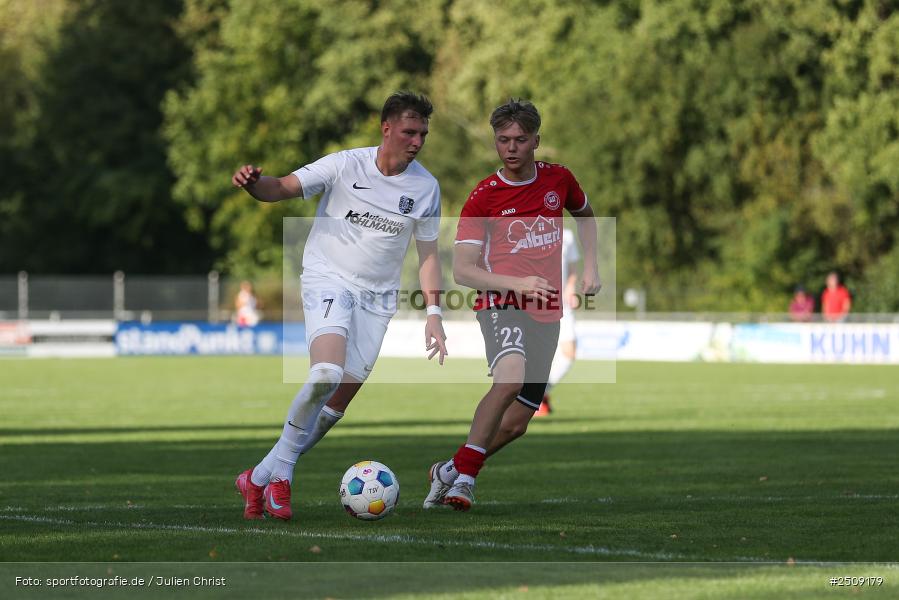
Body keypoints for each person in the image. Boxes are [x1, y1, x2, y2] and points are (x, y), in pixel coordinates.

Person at [230, 92, 448, 520]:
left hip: (378, 299)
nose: (417, 140)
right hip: (328, 278)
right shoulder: (344, 164)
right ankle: (282, 478)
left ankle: (256, 477)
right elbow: (280, 188)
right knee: (325, 373)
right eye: (409, 131)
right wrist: (254, 183)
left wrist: (434, 315)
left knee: (333, 408)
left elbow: (429, 256)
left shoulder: (426, 187)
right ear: (386, 129)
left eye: (423, 133)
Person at [424, 99, 600, 511]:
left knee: (519, 421)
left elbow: (587, 215)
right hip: (499, 301)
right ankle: (465, 481)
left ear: (536, 140)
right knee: (508, 380)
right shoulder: (483, 199)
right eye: (503, 140)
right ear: (495, 142)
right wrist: (517, 283)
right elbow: (464, 271)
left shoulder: (559, 181)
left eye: (521, 139)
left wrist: (591, 267)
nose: (512, 147)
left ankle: (448, 470)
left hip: (548, 309)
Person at [535, 227, 580, 416]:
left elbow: (572, 267)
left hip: (561, 303)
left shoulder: (566, 235)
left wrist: (571, 288)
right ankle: (531, 398)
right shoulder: (524, 231)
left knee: (569, 352)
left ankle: (539, 393)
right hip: (534, 301)